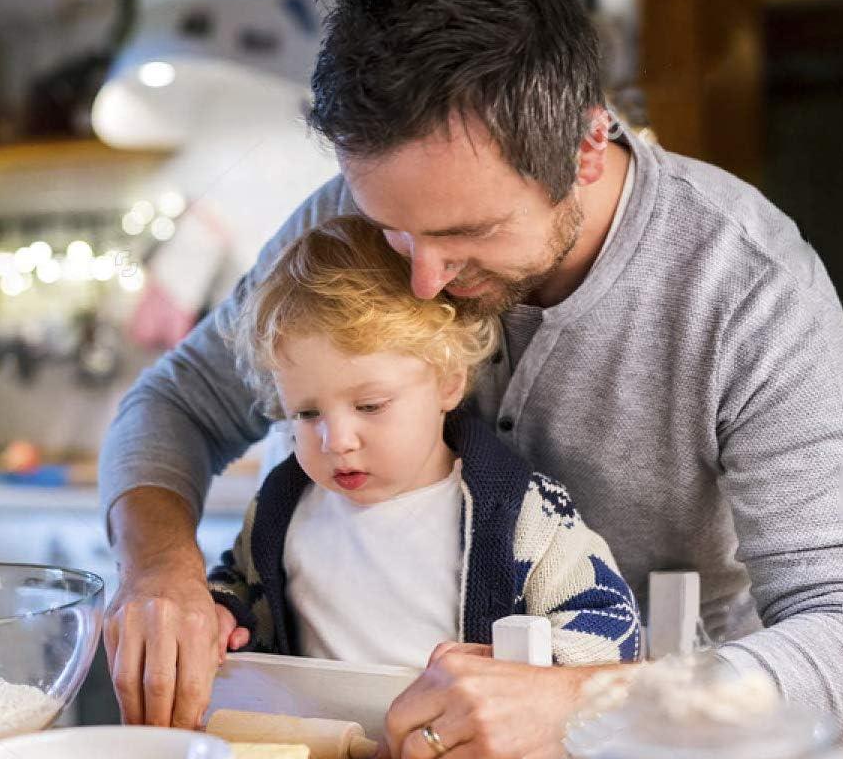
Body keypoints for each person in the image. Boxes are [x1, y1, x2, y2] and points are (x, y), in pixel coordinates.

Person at [100, 0, 843, 759]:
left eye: (467, 233)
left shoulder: (749, 288)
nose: (422, 276)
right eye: (394, 229)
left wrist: (589, 708)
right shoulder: (337, 223)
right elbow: (175, 403)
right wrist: (156, 566)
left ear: (584, 147)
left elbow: (841, 629)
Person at [204, 215, 641, 677]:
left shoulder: (524, 511)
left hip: (466, 742)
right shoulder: (280, 506)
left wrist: (528, 676)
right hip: (319, 745)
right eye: (306, 414)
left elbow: (613, 626)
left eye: (370, 405)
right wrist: (224, 614)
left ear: (449, 383)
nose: (337, 441)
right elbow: (240, 587)